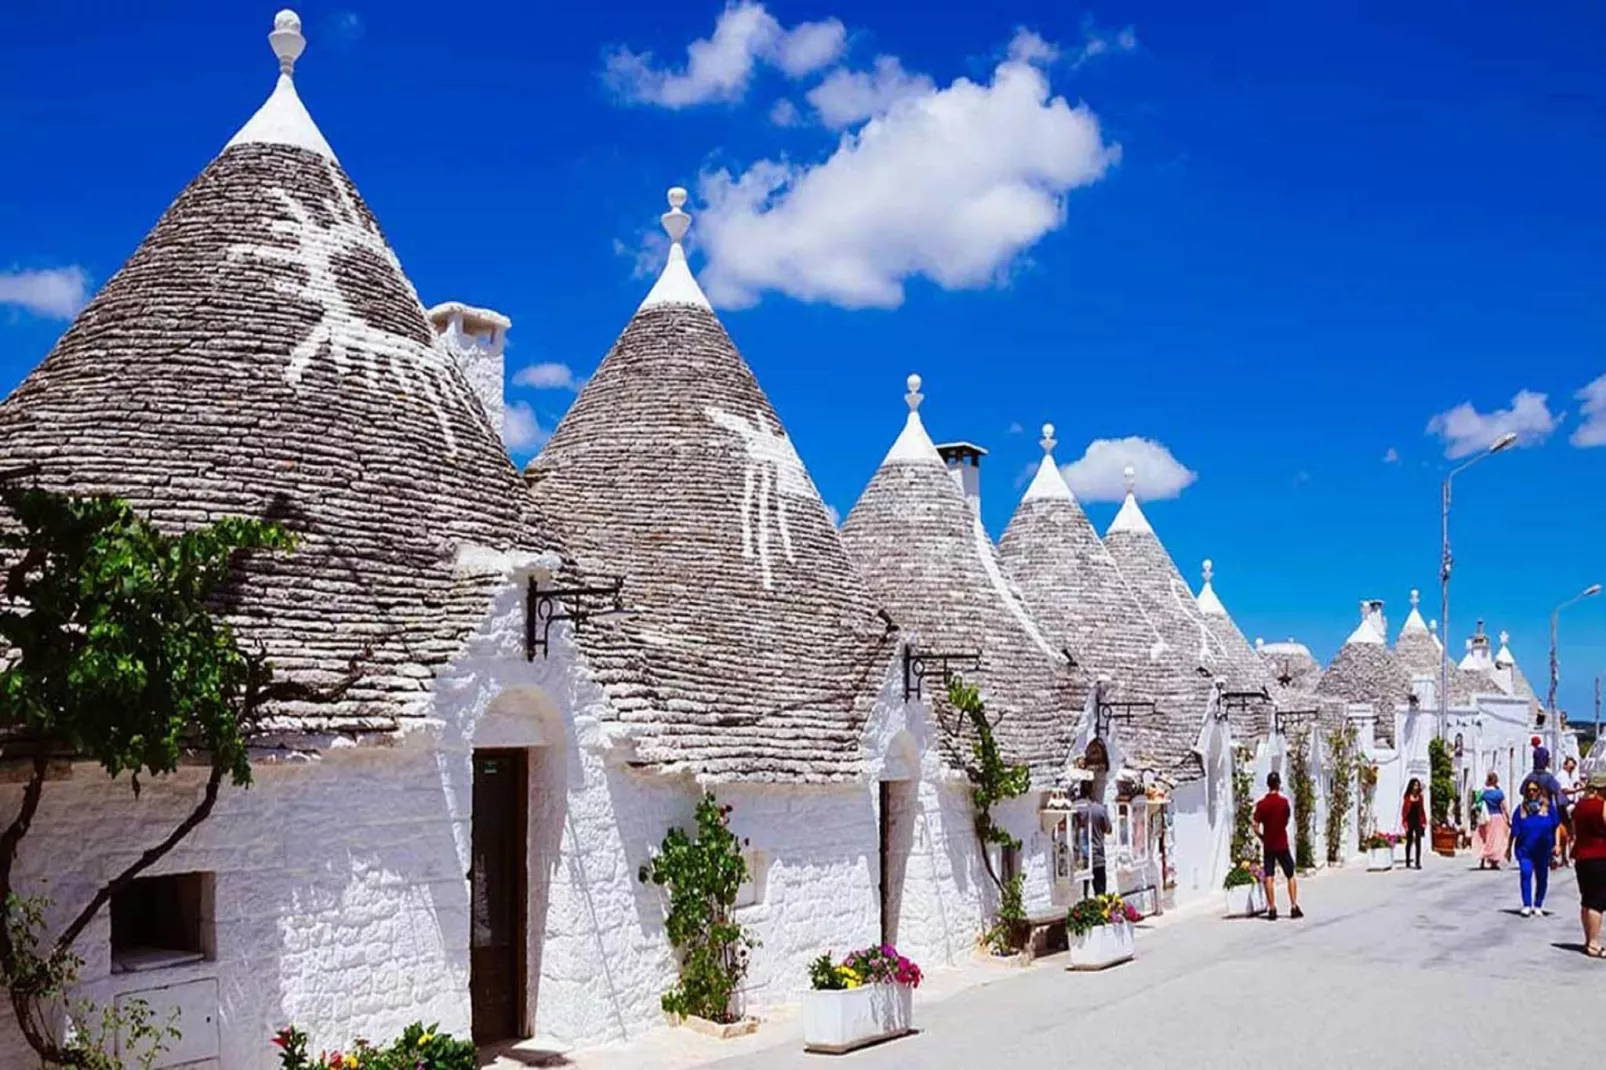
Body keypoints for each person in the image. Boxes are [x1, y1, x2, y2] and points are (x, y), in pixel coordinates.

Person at [1507, 778, 1561, 917]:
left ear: (1539, 791)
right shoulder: (1521, 809)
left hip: (1543, 850)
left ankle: (1538, 905)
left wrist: (1557, 844)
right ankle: (1527, 904)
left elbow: (1556, 826)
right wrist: (1508, 849)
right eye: (1529, 790)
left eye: (1534, 790)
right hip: (1525, 849)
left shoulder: (1548, 808)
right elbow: (1513, 831)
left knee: (1542, 877)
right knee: (1525, 873)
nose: (1531, 792)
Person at [1253, 771, 1302, 920]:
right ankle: (1293, 906)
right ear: (1278, 784)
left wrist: (1262, 837)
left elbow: (1255, 825)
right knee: (1290, 874)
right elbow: (1286, 819)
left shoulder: (1261, 804)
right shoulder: (1284, 803)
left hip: (1268, 844)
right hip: (1282, 843)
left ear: (1268, 785)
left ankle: (1272, 908)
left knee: (1269, 875)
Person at [1572, 770, 1606, 957]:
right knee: (1597, 902)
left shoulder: (1579, 806)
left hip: (1582, 856)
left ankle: (1588, 940)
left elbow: (1575, 830)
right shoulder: (1601, 806)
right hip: (1600, 856)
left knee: (1587, 900)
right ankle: (1594, 943)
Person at [1081, 780, 1112, 896]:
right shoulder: (1100, 810)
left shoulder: (1078, 810)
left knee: (1083, 893)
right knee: (1100, 893)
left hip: (1082, 857)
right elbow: (1108, 829)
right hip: (1098, 855)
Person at [1476, 771, 1509, 870]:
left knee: (1485, 839)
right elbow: (1504, 807)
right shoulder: (1499, 793)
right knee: (1496, 840)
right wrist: (1508, 818)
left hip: (1486, 817)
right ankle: (1494, 862)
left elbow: (1478, 804)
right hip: (1497, 817)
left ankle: (1483, 859)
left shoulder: (1484, 793)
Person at [1557, 757, 1581, 867]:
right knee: (1567, 833)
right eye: (1570, 766)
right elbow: (1565, 790)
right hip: (1563, 806)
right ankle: (1565, 857)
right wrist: (1578, 790)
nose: (1572, 768)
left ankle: (1567, 857)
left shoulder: (1568, 775)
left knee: (1571, 833)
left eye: (1573, 767)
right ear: (1565, 765)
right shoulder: (1562, 775)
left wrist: (1577, 784)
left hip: (1568, 806)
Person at [1401, 778, 1428, 869]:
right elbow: (1404, 811)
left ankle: (1417, 862)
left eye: (1417, 785)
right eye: (1415, 785)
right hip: (1409, 821)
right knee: (1409, 841)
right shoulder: (1407, 797)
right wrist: (1404, 822)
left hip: (1418, 821)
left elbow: (1422, 810)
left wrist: (1424, 821)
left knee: (1418, 842)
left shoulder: (1420, 797)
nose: (1416, 787)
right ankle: (1407, 860)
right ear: (1411, 786)